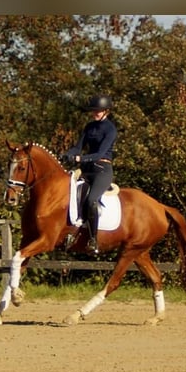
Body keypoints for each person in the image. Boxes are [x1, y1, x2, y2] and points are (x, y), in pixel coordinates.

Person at [62, 94, 117, 253]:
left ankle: (93, 240)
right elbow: (78, 147)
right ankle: (71, 233)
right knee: (71, 196)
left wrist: (80, 158)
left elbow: (100, 154)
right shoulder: (89, 127)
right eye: (94, 111)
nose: (95, 113)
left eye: (98, 111)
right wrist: (68, 153)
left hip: (102, 170)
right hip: (87, 170)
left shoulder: (110, 129)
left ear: (106, 111)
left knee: (92, 200)